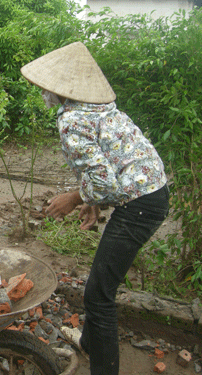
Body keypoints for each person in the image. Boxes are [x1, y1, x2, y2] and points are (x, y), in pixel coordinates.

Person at [21, 42, 169, 375]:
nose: (44, 92)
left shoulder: (73, 119)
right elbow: (107, 173)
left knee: (99, 296)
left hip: (140, 205)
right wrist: (93, 202)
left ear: (60, 89)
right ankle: (89, 343)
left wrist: (74, 198)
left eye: (46, 88)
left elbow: (103, 182)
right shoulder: (101, 108)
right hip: (151, 192)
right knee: (99, 283)